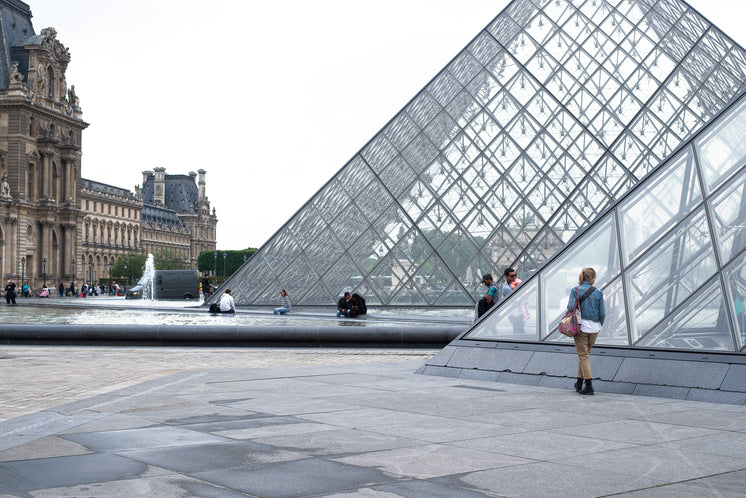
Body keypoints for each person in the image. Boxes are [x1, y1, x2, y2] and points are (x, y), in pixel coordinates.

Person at [567, 267, 605, 396]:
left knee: (583, 356)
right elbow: (603, 312)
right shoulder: (598, 292)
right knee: (585, 355)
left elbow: (570, 307)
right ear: (590, 278)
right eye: (594, 277)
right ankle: (579, 382)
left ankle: (589, 386)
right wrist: (599, 324)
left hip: (581, 326)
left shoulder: (575, 290)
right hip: (594, 327)